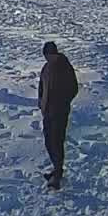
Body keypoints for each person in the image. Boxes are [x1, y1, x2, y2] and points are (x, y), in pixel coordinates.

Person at [38, 41, 79, 190]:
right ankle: (56, 169)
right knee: (49, 140)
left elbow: (74, 88)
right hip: (47, 111)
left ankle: (57, 174)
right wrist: (41, 102)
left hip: (59, 112)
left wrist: (62, 103)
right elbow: (41, 87)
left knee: (57, 141)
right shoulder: (46, 67)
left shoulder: (64, 67)